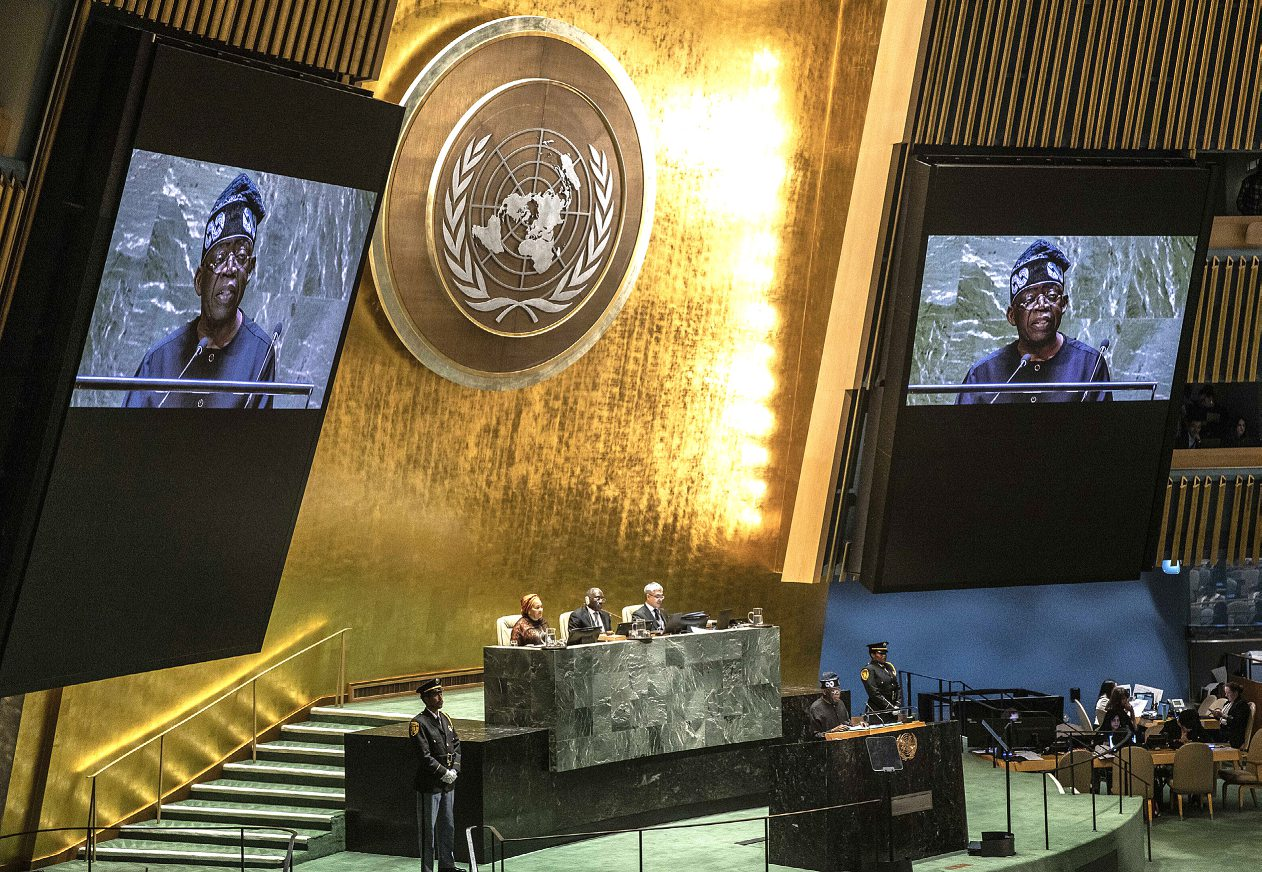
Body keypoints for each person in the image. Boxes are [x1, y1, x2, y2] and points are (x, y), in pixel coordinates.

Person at [124, 173, 277, 408]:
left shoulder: (261, 353)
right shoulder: (160, 359)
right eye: (219, 258)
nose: (230, 269)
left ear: (250, 271)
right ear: (199, 280)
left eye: (241, 258)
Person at [957, 239, 1111, 404]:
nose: (1042, 305)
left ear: (1064, 304)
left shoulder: (1090, 366)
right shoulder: (983, 375)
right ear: (1012, 315)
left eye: (1051, 296)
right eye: (1029, 299)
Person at [409, 678, 460, 872]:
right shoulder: (418, 724)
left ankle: (447, 865)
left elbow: (456, 744)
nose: (440, 698)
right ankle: (427, 869)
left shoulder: (445, 718)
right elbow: (424, 756)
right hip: (430, 785)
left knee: (448, 827)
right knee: (427, 831)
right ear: (426, 699)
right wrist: (443, 772)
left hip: (448, 784)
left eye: (441, 693)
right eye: (436, 695)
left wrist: (454, 769)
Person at [860, 641, 901, 723]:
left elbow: (897, 687)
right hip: (878, 712)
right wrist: (890, 708)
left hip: (893, 711)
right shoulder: (869, 669)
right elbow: (874, 693)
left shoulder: (889, 667)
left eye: (885, 653)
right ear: (872, 655)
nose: (884, 656)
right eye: (881, 654)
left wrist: (897, 704)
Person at [808, 671, 851, 738]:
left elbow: (847, 723)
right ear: (825, 692)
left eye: (838, 690)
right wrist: (832, 731)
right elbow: (815, 736)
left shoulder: (840, 703)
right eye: (833, 691)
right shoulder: (816, 708)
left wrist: (857, 725)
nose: (837, 693)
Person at [1218, 682, 1251, 748]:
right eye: (1225, 693)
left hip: (1233, 735)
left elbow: (1236, 722)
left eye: (1228, 693)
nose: (1226, 695)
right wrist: (1217, 715)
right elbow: (1223, 719)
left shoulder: (1241, 704)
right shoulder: (1228, 703)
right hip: (1224, 731)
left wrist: (1223, 716)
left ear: (1235, 693)